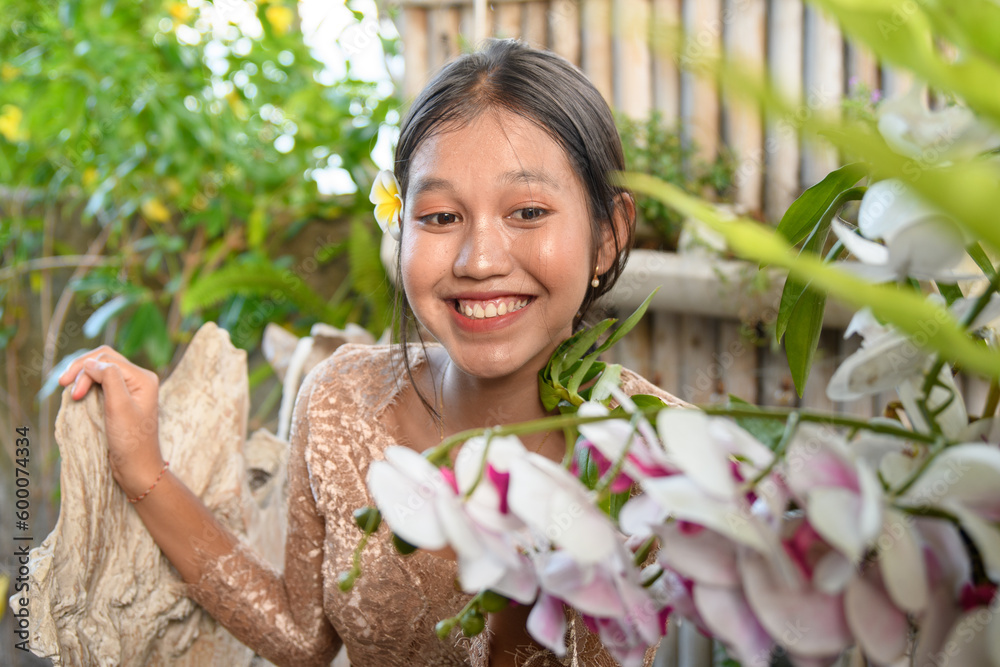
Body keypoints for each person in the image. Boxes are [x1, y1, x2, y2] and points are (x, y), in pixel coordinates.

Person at [58, 39, 683, 667]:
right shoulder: (342, 405)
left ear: (608, 235)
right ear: (401, 224)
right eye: (440, 217)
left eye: (527, 211)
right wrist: (143, 470)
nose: (480, 260)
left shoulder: (658, 451)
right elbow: (302, 639)